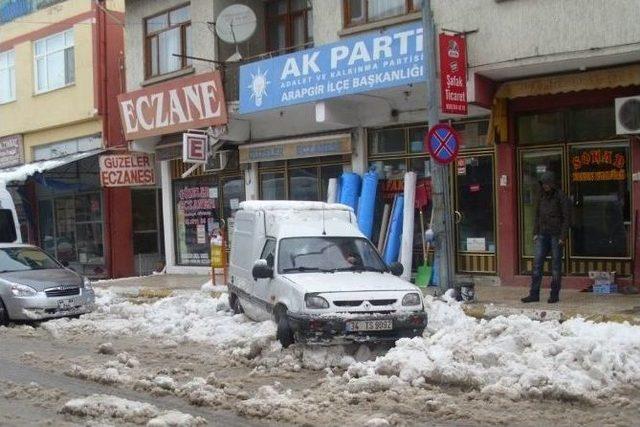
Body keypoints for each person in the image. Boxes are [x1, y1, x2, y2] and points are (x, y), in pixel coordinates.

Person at [522, 171, 570, 304]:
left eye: (548, 183)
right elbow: (537, 216)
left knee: (555, 266)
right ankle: (534, 294)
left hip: (556, 235)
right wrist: (535, 233)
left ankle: (554, 294)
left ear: (552, 183)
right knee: (537, 264)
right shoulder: (541, 197)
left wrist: (563, 236)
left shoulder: (561, 196)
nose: (546, 186)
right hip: (542, 234)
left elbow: (567, 218)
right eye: (543, 184)